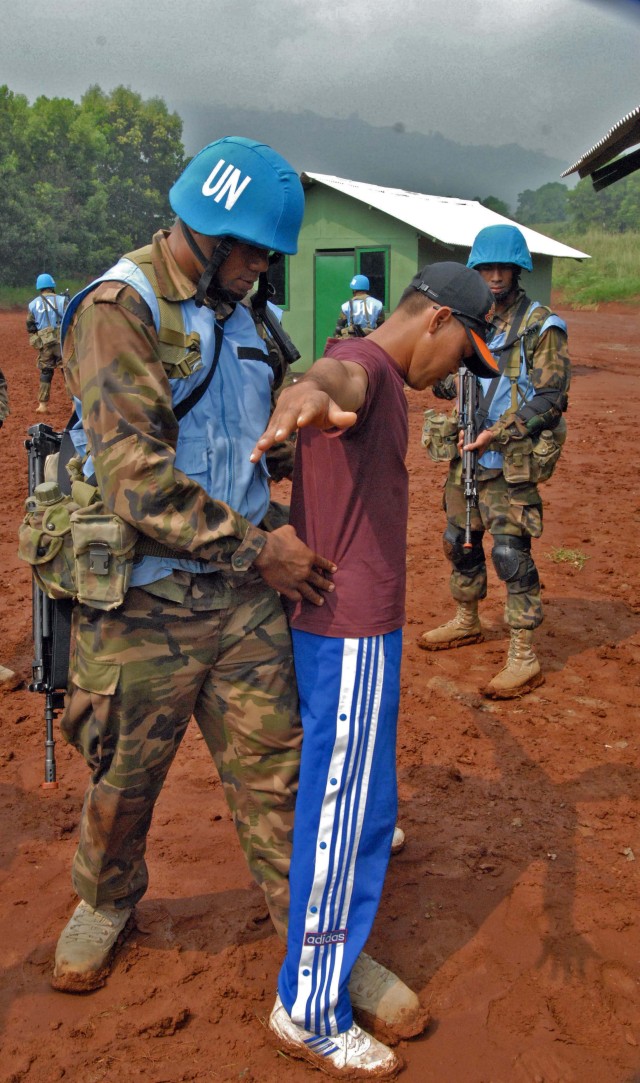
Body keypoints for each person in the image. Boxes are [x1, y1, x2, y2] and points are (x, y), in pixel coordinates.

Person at [50, 136, 339, 994]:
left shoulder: (246, 310)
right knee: (124, 775)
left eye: (268, 253)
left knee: (279, 774)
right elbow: (135, 479)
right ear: (206, 231)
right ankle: (106, 900)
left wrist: (308, 400)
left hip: (244, 597)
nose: (262, 266)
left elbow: (288, 396)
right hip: (146, 600)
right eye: (252, 249)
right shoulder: (119, 307)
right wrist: (263, 547)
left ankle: (319, 949)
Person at [252, 261, 499, 1078]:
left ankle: (321, 978)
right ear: (433, 321)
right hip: (349, 631)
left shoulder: (379, 366)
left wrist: (313, 389)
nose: (458, 372)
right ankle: (310, 1008)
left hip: (361, 629)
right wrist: (306, 393)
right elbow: (334, 378)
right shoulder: (369, 370)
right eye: (464, 351)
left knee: (364, 806)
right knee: (340, 814)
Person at [418, 224, 571, 698]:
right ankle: (467, 618)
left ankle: (523, 654)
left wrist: (499, 431)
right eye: (486, 267)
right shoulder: (469, 320)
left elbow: (550, 396)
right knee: (459, 540)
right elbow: (446, 380)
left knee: (510, 552)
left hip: (510, 459)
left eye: (504, 267)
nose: (496, 276)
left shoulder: (540, 325)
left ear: (519, 270)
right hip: (466, 456)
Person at [26, 273, 68, 413]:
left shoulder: (33, 304)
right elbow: (71, 319)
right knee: (67, 371)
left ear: (39, 287)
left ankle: (42, 405)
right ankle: (75, 403)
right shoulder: (62, 300)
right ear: (52, 286)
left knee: (46, 372)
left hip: (45, 343)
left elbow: (30, 325)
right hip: (62, 342)